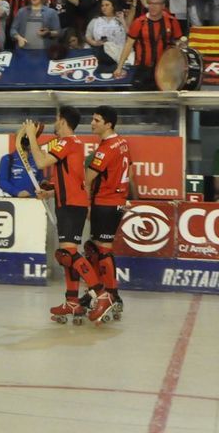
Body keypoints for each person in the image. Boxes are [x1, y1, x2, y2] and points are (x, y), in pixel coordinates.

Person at [22, 108, 112, 325]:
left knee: (69, 253)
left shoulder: (67, 142)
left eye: (56, 119)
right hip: (69, 202)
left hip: (72, 205)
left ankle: (102, 295)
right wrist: (50, 193)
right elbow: (72, 180)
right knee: (65, 255)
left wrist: (32, 137)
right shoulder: (72, 145)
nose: (54, 123)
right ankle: (72, 302)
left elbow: (42, 162)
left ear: (62, 121)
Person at [82, 106, 131, 321]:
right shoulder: (122, 143)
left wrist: (86, 205)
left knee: (102, 250)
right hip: (116, 202)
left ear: (108, 124)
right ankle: (100, 293)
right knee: (97, 248)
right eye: (92, 119)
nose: (92, 123)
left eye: (96, 120)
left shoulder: (106, 149)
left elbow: (87, 179)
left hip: (106, 203)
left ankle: (110, 295)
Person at [115, 0, 182, 90]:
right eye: (150, 4)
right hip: (143, 68)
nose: (153, 7)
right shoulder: (139, 22)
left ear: (163, 6)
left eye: (156, 4)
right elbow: (128, 45)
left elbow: (179, 44)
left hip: (165, 69)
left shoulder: (172, 21)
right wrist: (119, 67)